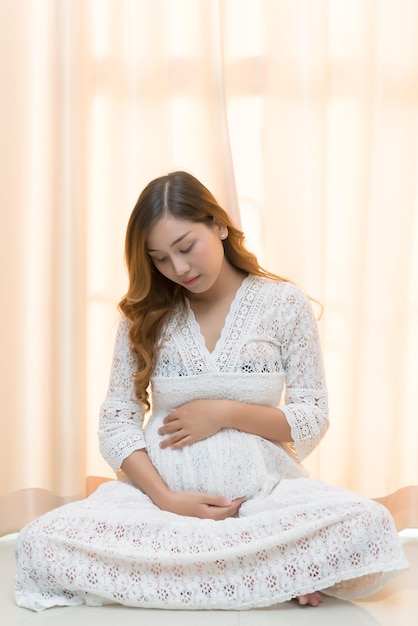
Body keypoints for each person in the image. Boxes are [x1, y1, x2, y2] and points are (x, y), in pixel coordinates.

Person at [14, 170, 408, 611]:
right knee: (37, 542)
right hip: (158, 507)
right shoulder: (143, 315)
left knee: (370, 523)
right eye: (160, 258)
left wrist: (224, 412)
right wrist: (167, 500)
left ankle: (227, 568)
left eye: (186, 247)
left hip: (266, 501)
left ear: (219, 225)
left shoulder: (283, 304)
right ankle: (275, 573)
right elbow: (116, 421)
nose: (178, 268)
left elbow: (311, 416)